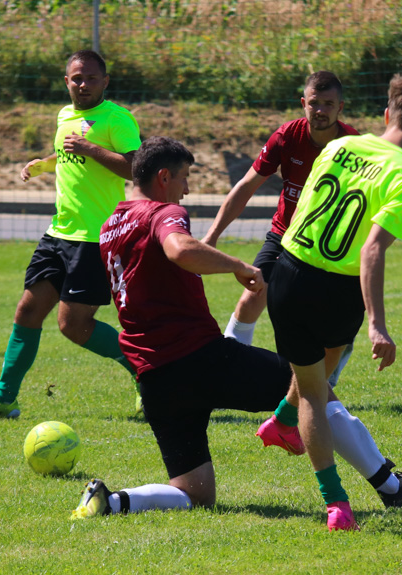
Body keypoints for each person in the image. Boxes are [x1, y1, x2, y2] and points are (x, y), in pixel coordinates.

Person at [73, 136, 292, 519]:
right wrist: (239, 266)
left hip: (154, 376)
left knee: (196, 494)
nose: (187, 189)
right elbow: (179, 248)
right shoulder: (163, 212)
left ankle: (111, 501)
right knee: (307, 384)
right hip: (197, 359)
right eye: (185, 178)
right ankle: (386, 481)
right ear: (163, 177)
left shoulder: (110, 225)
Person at [265, 74, 402, 531]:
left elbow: (304, 210)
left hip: (287, 271)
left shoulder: (339, 147)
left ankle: (282, 422)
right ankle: (336, 504)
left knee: (313, 377)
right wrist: (377, 323)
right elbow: (371, 249)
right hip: (336, 290)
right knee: (315, 392)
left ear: (387, 114)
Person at [0, 50, 142, 420]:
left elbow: (137, 168)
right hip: (57, 234)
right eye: (77, 78)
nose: (84, 84)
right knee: (27, 310)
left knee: (73, 326)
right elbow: (66, 156)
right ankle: (3, 399)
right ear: (66, 81)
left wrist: (92, 149)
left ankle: (144, 372)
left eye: (92, 78)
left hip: (94, 239)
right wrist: (45, 164)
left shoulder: (116, 118)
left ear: (105, 82)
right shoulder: (64, 115)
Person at [202, 71, 358, 386]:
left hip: (327, 245)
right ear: (304, 103)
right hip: (285, 233)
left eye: (328, 104)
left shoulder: (352, 146)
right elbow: (246, 186)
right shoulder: (287, 136)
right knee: (252, 292)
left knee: (328, 323)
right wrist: (212, 236)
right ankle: (225, 369)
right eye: (314, 103)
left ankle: (325, 378)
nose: (321, 110)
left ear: (340, 107)